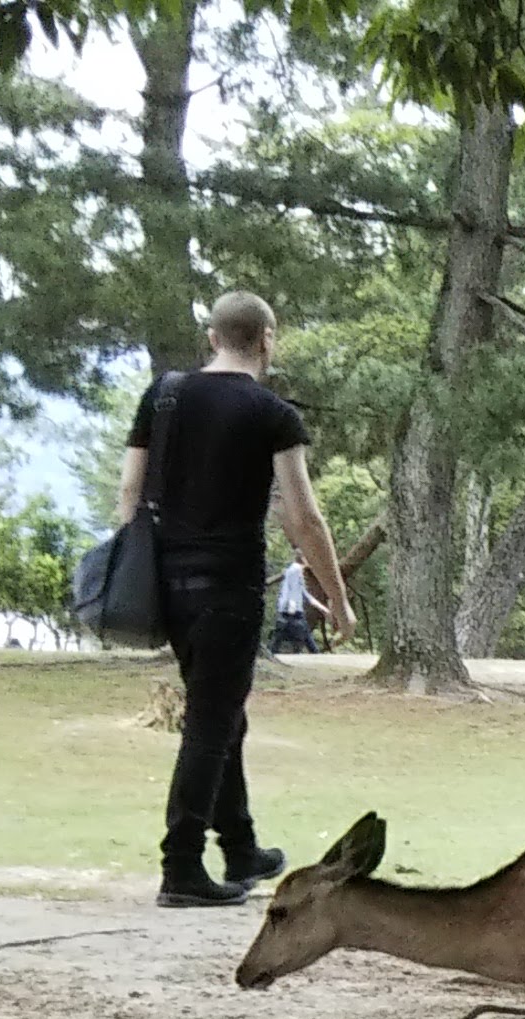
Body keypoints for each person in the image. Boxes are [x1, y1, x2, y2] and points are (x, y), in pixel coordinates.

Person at [117, 289, 350, 907]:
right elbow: (303, 517)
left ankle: (241, 845)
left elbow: (128, 496)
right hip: (228, 584)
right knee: (210, 723)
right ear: (267, 339)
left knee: (222, 714)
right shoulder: (271, 413)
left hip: (165, 583)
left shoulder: (162, 395)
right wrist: (338, 597)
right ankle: (182, 868)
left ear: (212, 338)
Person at [270, 557, 315, 654]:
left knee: (281, 633)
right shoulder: (295, 570)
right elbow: (292, 589)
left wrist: (322, 608)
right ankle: (314, 652)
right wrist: (292, 606)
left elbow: (303, 592)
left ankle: (273, 651)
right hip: (293, 608)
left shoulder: (293, 570)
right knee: (302, 631)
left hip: (288, 607)